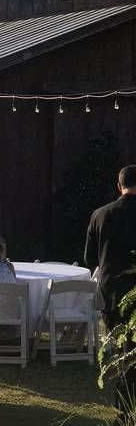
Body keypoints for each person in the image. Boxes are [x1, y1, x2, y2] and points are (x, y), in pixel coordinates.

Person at [85, 165, 136, 407]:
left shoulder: (100, 214)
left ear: (119, 186)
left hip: (112, 291)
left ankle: (124, 406)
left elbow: (90, 258)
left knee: (121, 352)